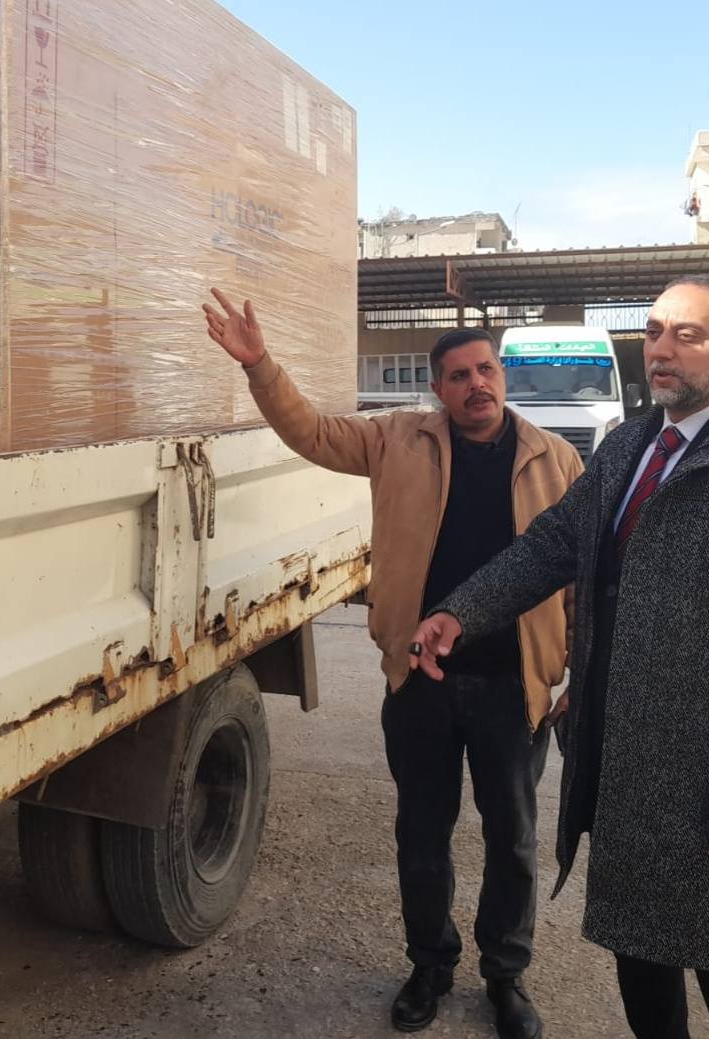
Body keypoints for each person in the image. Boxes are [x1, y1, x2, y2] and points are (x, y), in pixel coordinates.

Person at [409, 275, 709, 1039]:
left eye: (689, 334)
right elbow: (553, 543)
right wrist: (461, 611)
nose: (662, 350)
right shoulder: (628, 446)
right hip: (622, 772)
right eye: (653, 332)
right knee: (640, 962)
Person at [202, 290, 583, 1039]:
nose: (476, 384)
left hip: (514, 684)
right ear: (437, 388)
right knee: (421, 832)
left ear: (501, 375)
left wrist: (575, 670)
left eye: (485, 370)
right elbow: (312, 433)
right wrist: (259, 365)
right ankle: (430, 965)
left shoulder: (555, 458)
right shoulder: (396, 441)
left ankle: (505, 974)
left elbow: (577, 572)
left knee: (512, 838)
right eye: (458, 376)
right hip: (420, 679)